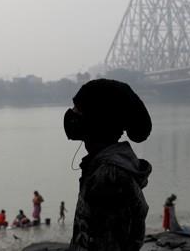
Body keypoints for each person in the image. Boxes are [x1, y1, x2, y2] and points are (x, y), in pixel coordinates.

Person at [63, 79, 152, 251]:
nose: (72, 114)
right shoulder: (102, 167)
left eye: (78, 109)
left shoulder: (110, 177)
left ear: (96, 119)